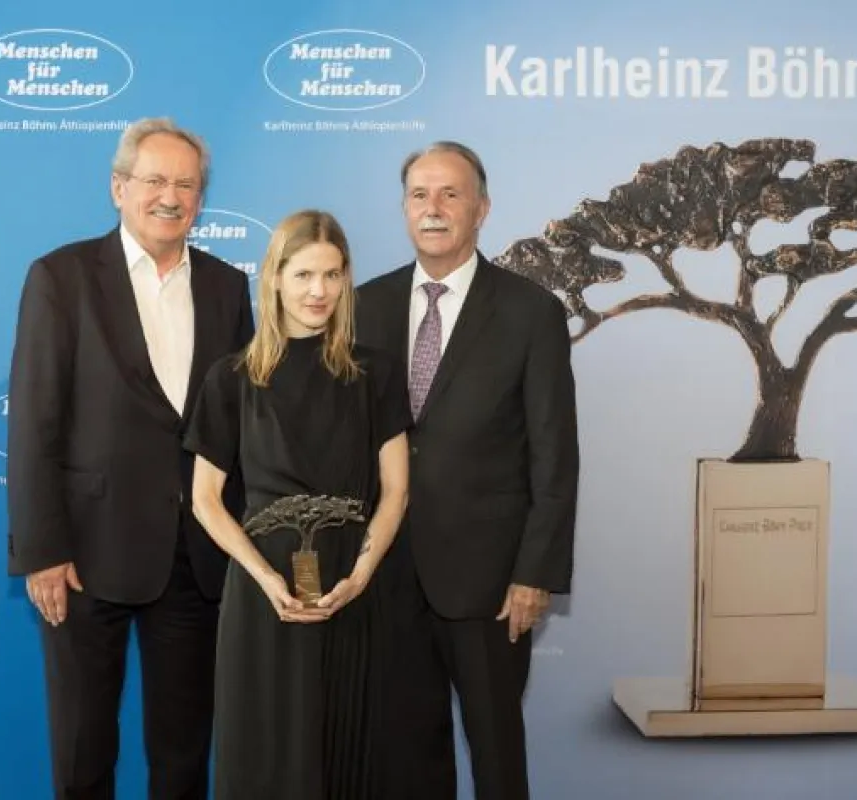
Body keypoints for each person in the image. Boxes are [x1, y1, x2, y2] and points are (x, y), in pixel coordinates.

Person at [6, 117, 255, 799]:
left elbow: (238, 428)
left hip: (196, 557)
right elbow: (34, 421)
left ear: (201, 200)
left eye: (185, 184)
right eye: (153, 180)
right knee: (84, 748)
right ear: (119, 188)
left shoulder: (229, 287)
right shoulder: (62, 276)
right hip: (84, 555)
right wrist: (42, 551)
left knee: (183, 754)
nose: (169, 196)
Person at [355, 141, 580, 800]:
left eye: (450, 194)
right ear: (404, 209)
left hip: (489, 583)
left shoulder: (530, 311)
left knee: (496, 754)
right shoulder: (363, 306)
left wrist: (535, 572)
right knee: (404, 754)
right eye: (420, 195)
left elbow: (554, 454)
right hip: (384, 578)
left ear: (481, 209)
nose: (434, 208)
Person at [184, 209, 411, 799]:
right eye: (306, 274)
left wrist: (360, 576)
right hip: (263, 599)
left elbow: (396, 491)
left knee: (351, 754)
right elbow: (206, 500)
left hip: (354, 592)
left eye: (333, 276)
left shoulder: (374, 373)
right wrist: (262, 577)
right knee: (263, 759)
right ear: (276, 277)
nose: (319, 291)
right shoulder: (230, 378)